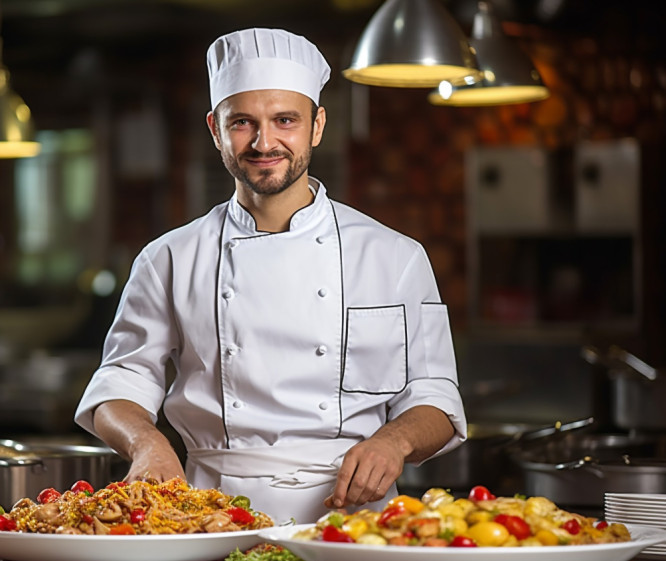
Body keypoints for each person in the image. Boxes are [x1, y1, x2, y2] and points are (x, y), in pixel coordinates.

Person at [75, 27, 467, 524]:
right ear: (215, 129)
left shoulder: (394, 255)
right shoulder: (169, 258)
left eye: (285, 120)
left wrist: (395, 440)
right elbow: (119, 385)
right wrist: (147, 443)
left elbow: (434, 396)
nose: (265, 142)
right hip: (208, 516)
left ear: (317, 125)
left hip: (355, 522)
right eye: (243, 122)